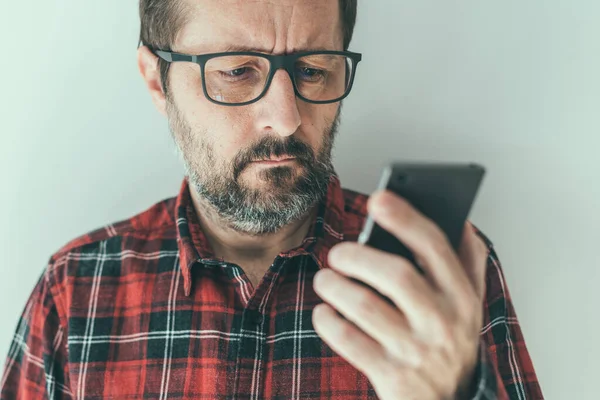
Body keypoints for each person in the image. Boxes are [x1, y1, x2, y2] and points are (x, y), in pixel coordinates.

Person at [1, 0, 543, 398]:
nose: (286, 118)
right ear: (156, 81)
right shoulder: (75, 291)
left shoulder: (437, 273)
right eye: (237, 71)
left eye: (313, 69)